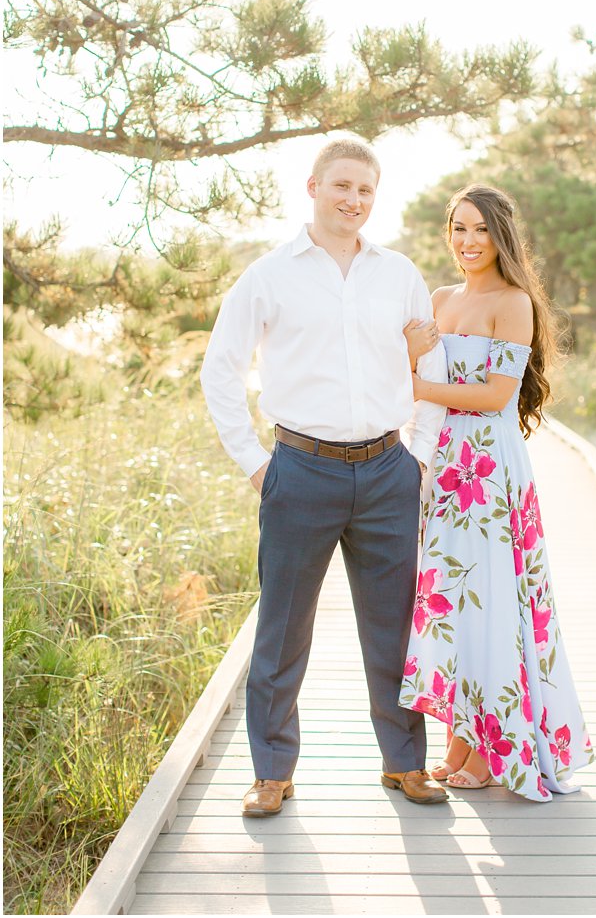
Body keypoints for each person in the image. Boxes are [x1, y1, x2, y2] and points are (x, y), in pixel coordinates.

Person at [201, 138, 451, 817]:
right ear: (313, 186)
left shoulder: (398, 273)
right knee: (281, 628)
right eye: (342, 186)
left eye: (366, 191)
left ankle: (405, 761)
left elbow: (428, 368)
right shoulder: (268, 275)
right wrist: (255, 463)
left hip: (386, 471)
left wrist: (420, 455)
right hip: (299, 470)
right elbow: (219, 368)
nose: (354, 201)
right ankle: (271, 770)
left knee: (393, 627)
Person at [397, 183, 592, 799]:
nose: (468, 241)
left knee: (492, 595)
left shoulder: (514, 303)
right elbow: (409, 369)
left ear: (501, 235)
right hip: (444, 463)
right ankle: (462, 736)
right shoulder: (439, 298)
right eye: (458, 228)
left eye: (480, 228)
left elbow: (494, 396)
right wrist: (409, 366)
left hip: (490, 466)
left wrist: (417, 386)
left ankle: (492, 743)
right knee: (453, 598)